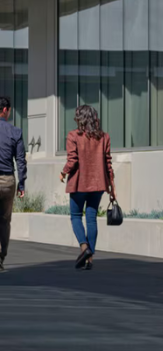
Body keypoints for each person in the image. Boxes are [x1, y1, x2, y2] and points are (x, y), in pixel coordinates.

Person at [60, 105, 114, 271]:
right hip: (98, 184)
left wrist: (63, 173)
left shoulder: (73, 135)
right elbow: (108, 163)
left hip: (79, 183)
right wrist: (112, 186)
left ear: (80, 119)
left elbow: (72, 160)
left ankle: (84, 248)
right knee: (91, 218)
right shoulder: (104, 137)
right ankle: (90, 259)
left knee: (76, 216)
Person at [0, 97, 26, 273]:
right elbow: (21, 160)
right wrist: (21, 184)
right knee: (4, 221)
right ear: (5, 110)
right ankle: (1, 257)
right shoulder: (15, 131)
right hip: (8, 181)